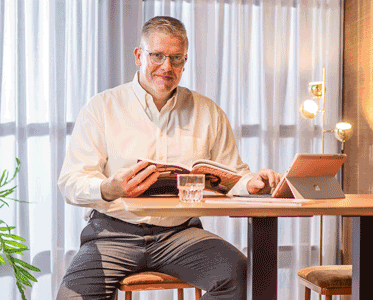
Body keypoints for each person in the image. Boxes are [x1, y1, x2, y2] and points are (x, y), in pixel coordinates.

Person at [56, 16, 281, 300]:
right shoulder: (101, 108)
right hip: (112, 233)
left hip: (180, 234)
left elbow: (232, 174)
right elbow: (70, 182)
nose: (167, 67)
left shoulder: (208, 111)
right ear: (139, 56)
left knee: (237, 273)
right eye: (157, 56)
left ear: (185, 61)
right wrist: (108, 187)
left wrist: (252, 183)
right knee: (72, 297)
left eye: (176, 58)